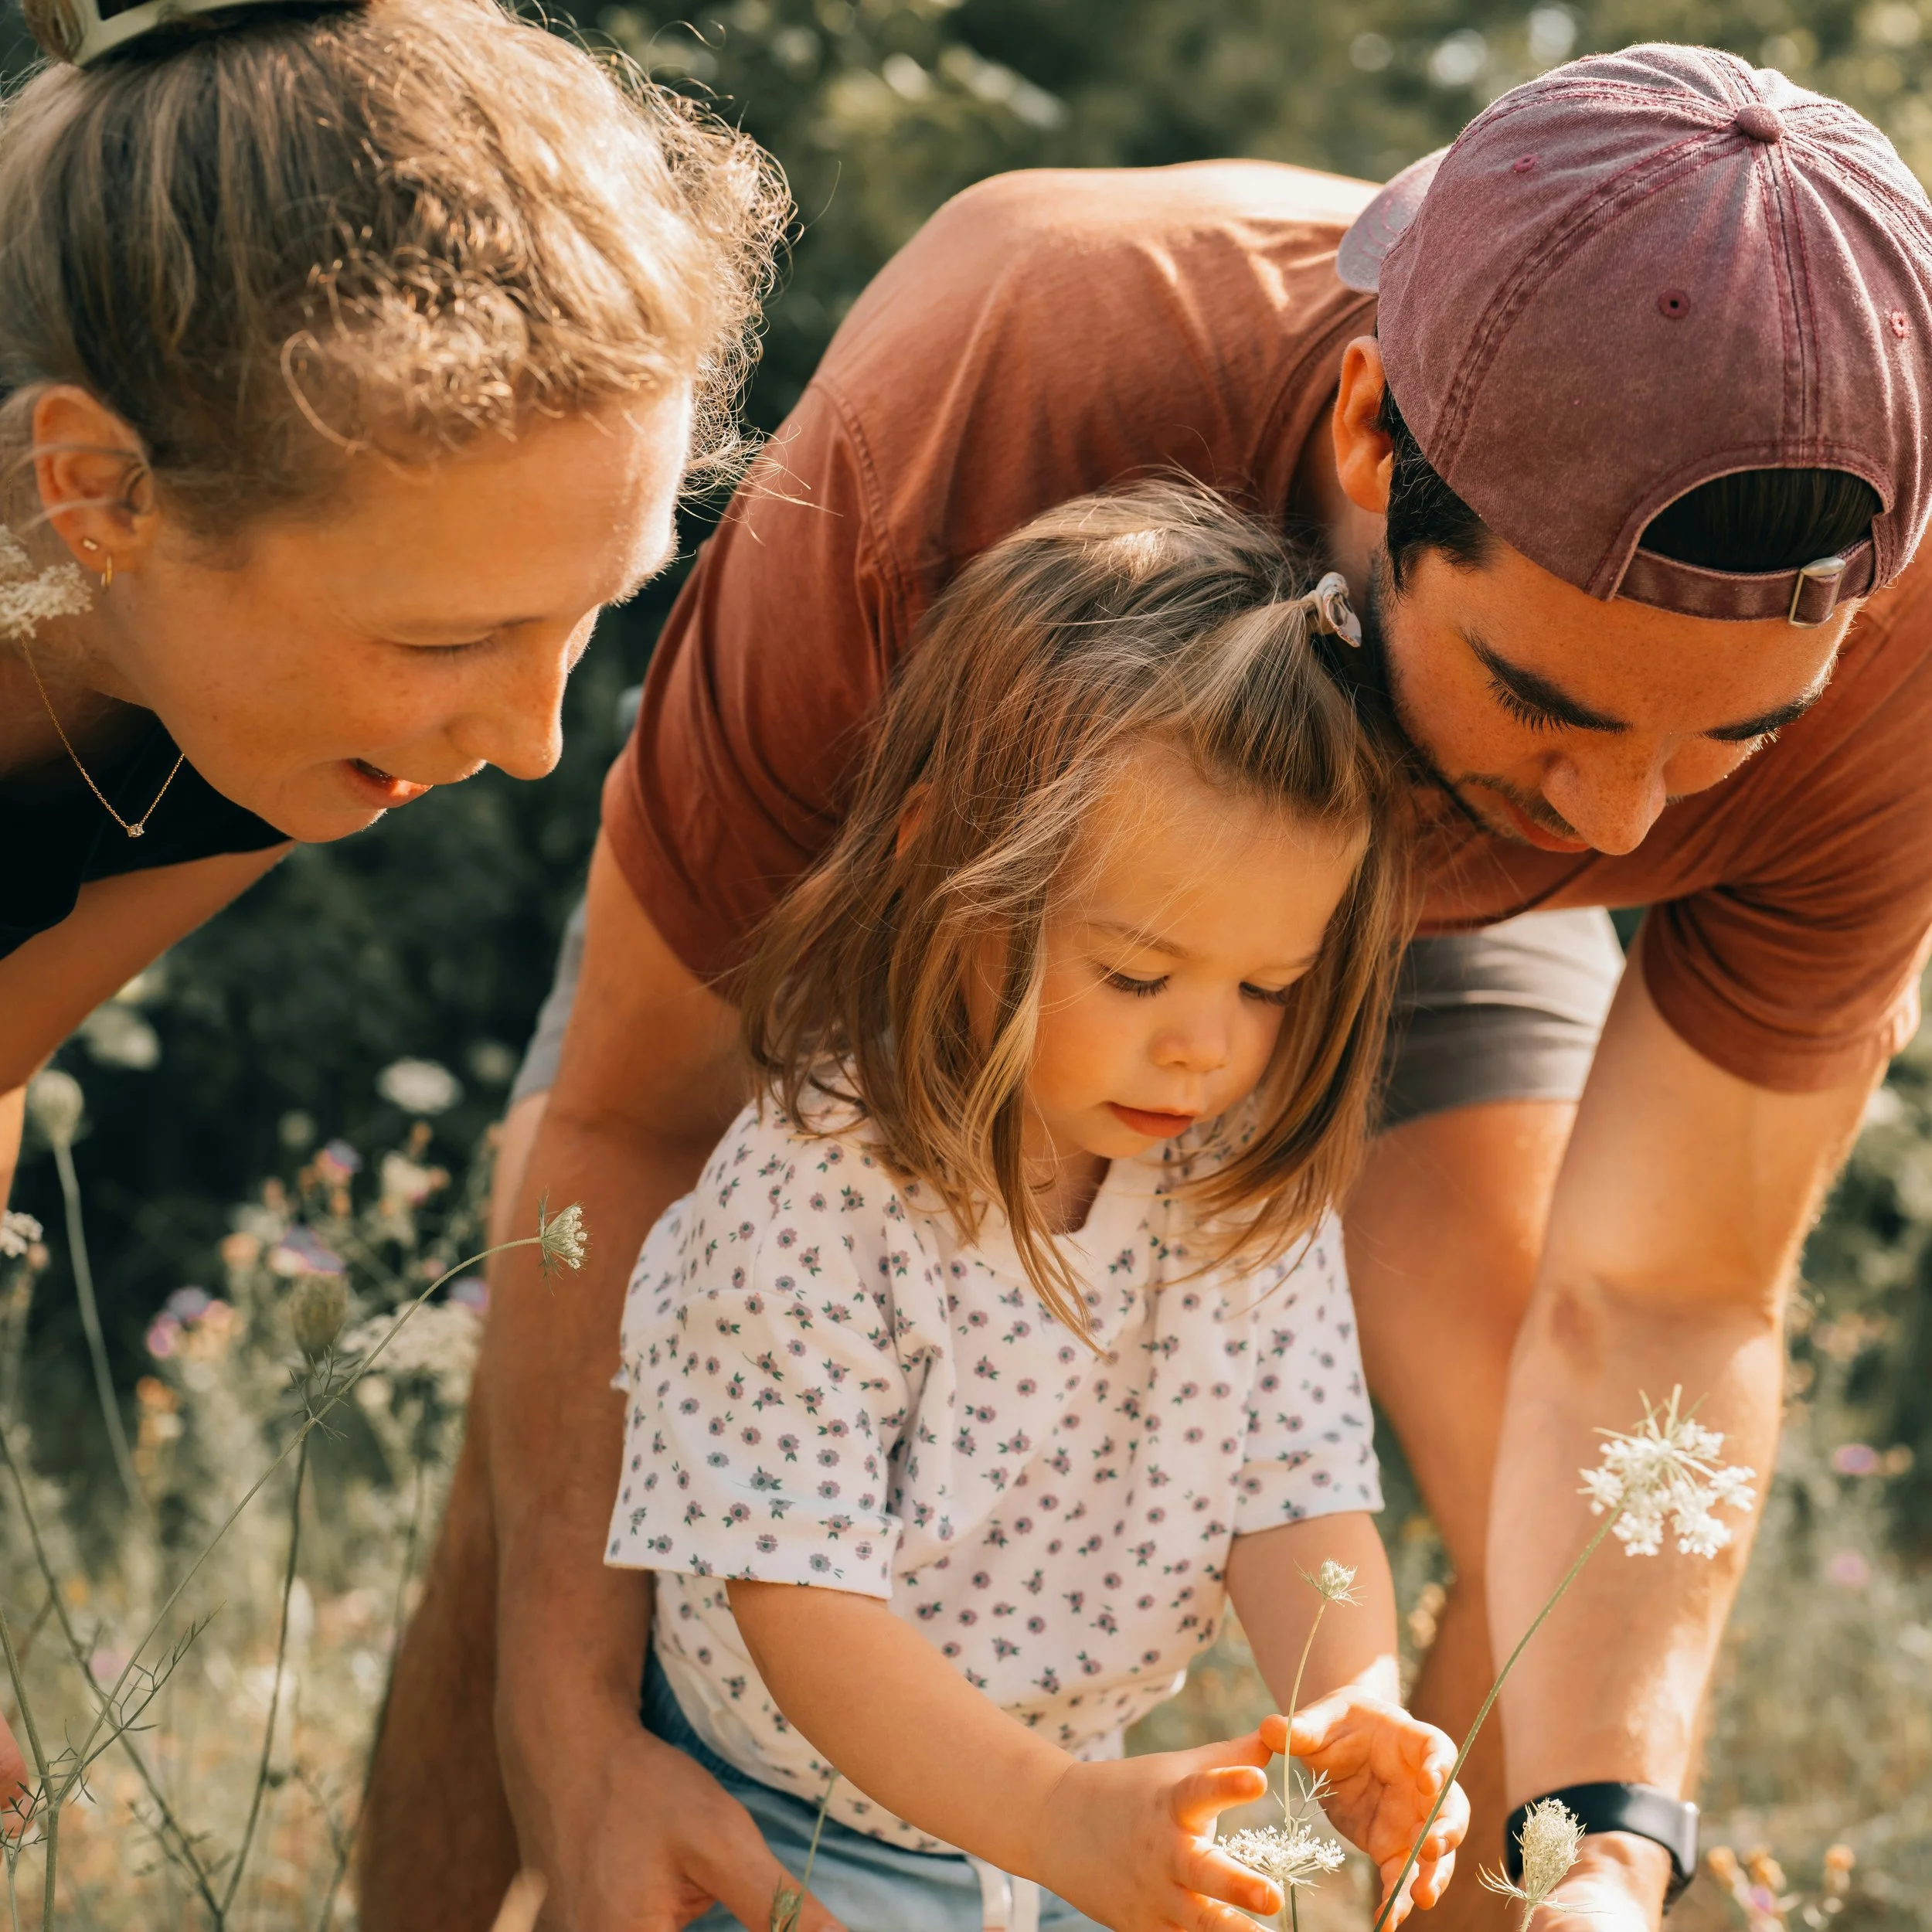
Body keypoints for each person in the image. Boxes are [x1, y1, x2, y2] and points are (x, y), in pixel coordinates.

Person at [365, 43, 1932, 1932]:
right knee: (581, 1421)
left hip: (1373, 871)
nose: (1611, 822)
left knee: (1527, 1455)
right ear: (1369, 433)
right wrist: (569, 1740)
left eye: (1722, 744)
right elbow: (630, 1116)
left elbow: (1662, 1299)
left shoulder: (1883, 673)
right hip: (1013, 845)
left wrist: (1602, 1833)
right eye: (1552, 701)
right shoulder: (996, 386)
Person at [0, 0, 783, 1828]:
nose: (527, 739)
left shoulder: (245, 715)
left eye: (588, 609)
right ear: (93, 489)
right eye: (443, 641)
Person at [610, 482, 1468, 1931]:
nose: (1205, 1046)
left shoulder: (1229, 1179)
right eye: (1139, 975)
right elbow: (799, 1602)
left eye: (1267, 986)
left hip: (1071, 1813)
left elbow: (1295, 1494)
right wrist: (1060, 1823)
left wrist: (1351, 1704)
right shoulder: (818, 1192)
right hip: (795, 1817)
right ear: (952, 869)